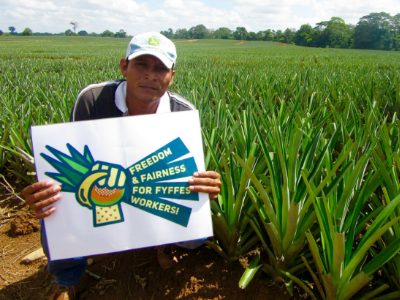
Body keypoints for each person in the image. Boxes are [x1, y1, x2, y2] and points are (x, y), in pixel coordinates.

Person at [21, 32, 221, 300]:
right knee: (55, 210)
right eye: (142, 65)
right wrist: (46, 190)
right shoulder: (92, 100)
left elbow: (187, 173)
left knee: (195, 227)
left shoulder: (182, 112)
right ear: (124, 66)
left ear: (171, 76)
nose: (151, 75)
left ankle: (165, 243)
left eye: (160, 68)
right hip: (102, 187)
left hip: (150, 191)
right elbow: (78, 162)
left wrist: (205, 185)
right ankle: (67, 279)